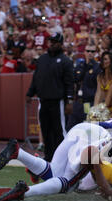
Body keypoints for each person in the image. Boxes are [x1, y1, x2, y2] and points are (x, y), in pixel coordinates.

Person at [0, 122, 112, 201]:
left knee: (54, 174)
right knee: (68, 184)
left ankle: (18, 152)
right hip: (100, 136)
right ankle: (25, 192)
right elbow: (92, 157)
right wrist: (107, 189)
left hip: (81, 128)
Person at [26, 32, 74, 162]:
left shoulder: (66, 61)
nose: (51, 44)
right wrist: (30, 93)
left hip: (58, 101)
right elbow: (36, 78)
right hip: (43, 100)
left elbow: (69, 82)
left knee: (59, 131)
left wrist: (69, 100)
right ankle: (49, 157)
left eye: (54, 42)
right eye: (50, 41)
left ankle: (64, 158)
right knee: (46, 131)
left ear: (60, 44)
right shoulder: (42, 59)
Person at [71, 43, 101, 129]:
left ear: (95, 53)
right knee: (73, 126)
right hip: (78, 101)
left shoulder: (97, 67)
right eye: (88, 51)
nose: (90, 53)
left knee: (88, 126)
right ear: (84, 52)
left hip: (89, 102)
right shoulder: (80, 65)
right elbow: (75, 80)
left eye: (92, 51)